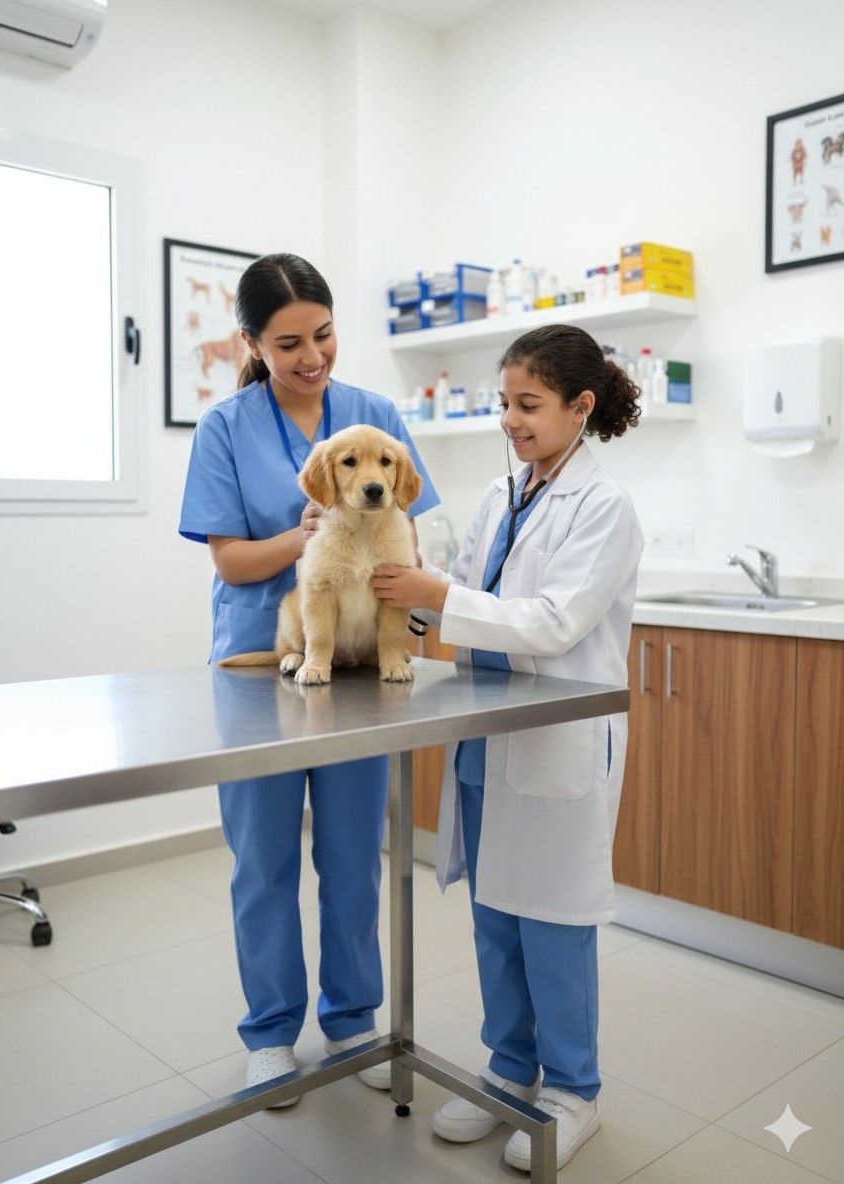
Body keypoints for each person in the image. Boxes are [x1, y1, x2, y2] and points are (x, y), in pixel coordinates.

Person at [372, 323, 643, 1171]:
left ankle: (572, 1090)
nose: (511, 421)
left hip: (557, 739)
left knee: (553, 924)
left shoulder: (605, 508)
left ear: (580, 406)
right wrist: (403, 600)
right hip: (488, 736)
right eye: (504, 404)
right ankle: (508, 1072)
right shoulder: (503, 494)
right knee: (495, 915)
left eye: (528, 405)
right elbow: (468, 603)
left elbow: (554, 624)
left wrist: (439, 594)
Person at [179, 253, 439, 1103]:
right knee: (262, 860)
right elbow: (230, 558)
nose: (312, 355)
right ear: (251, 341)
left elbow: (408, 534)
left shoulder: (373, 416)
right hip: (261, 667)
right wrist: (315, 535)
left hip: (360, 673)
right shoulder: (227, 427)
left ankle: (354, 1018)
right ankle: (269, 1035)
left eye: (323, 334)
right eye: (288, 342)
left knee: (355, 851)